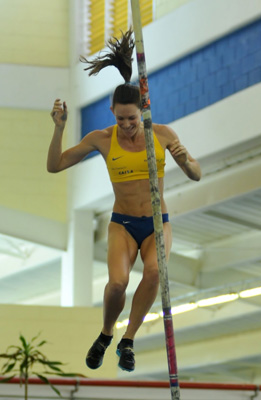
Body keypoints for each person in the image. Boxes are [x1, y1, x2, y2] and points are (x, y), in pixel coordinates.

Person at [46, 30, 201, 372]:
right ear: (112, 112)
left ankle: (127, 341)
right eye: (121, 119)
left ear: (143, 110)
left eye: (132, 118)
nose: (128, 125)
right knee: (117, 284)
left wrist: (185, 159)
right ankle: (105, 334)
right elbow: (55, 166)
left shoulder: (162, 135)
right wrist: (59, 128)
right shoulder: (101, 139)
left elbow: (196, 174)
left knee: (155, 271)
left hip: (157, 223)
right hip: (123, 224)